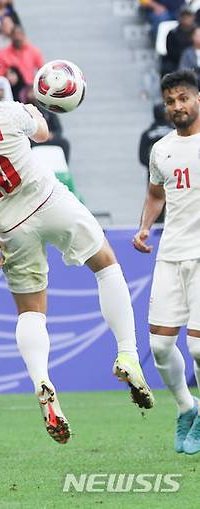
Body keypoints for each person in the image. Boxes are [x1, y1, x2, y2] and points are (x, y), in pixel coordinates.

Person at [0, 46, 155, 445]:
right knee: (107, 265)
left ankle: (42, 380)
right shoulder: (9, 112)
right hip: (48, 200)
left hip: (9, 227)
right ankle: (127, 352)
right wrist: (38, 104)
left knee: (31, 311)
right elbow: (43, 131)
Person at [133, 70, 200, 455]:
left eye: (183, 99)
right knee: (160, 346)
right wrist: (144, 228)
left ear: (196, 99)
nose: (177, 106)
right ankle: (187, 407)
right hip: (171, 254)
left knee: (198, 348)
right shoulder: (161, 148)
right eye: (170, 101)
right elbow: (156, 193)